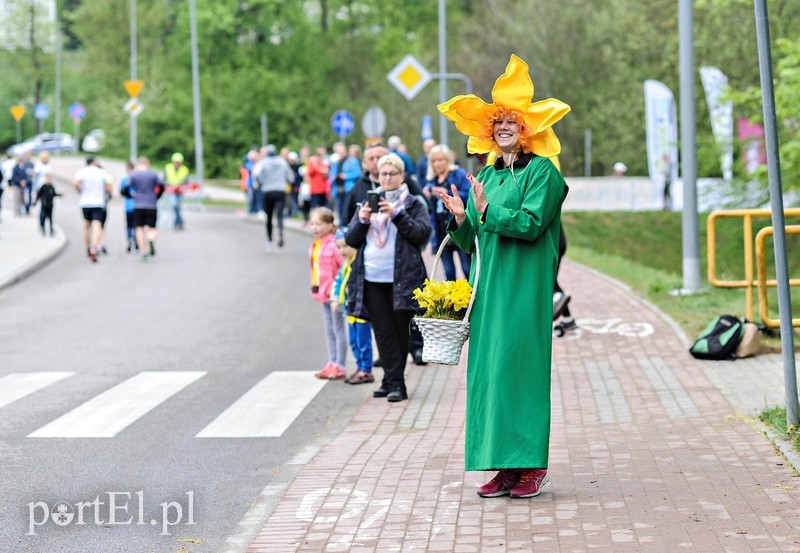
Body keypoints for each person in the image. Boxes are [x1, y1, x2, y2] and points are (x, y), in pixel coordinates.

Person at [435, 54, 570, 497]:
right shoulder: (487, 176)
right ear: (488, 133)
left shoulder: (543, 173)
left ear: (527, 129)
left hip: (524, 289)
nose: (504, 128)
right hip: (489, 289)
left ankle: (529, 464)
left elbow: (531, 224)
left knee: (522, 370)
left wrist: (488, 211)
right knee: (490, 374)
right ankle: (502, 465)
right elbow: (472, 238)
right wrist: (461, 217)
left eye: (512, 121)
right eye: (497, 123)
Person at [344, 153, 431, 402]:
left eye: (393, 173)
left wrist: (397, 215)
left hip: (402, 278)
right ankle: (391, 380)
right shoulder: (367, 204)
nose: (388, 178)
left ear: (402, 176)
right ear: (377, 176)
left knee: (399, 330)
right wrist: (362, 220)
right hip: (371, 279)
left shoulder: (413, 203)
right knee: (382, 331)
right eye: (383, 174)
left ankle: (397, 383)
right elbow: (351, 239)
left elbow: (421, 235)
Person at [331, 228, 374, 385]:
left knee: (363, 342)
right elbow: (339, 282)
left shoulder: (360, 262)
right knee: (354, 342)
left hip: (361, 311)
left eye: (345, 246)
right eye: (339, 247)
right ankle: (359, 367)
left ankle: (366, 369)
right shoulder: (346, 265)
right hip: (350, 310)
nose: (342, 250)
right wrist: (336, 298)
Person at [309, 207, 347, 380]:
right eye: (313, 224)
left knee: (338, 328)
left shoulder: (333, 245)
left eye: (319, 224)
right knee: (328, 329)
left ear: (330, 225)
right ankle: (331, 362)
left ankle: (340, 365)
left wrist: (340, 292)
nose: (315, 227)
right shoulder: (317, 244)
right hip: (322, 292)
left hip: (334, 294)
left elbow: (343, 268)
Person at [424, 144, 472, 280]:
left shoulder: (459, 174)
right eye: (434, 161)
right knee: (449, 272)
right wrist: (427, 196)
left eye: (440, 160)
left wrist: (448, 193)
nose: (437, 164)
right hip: (441, 231)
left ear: (448, 160)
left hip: (458, 229)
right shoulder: (431, 180)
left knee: (467, 269)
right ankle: (453, 301)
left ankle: (473, 299)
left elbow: (470, 195)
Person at [253, 144, 294, 248]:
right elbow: (291, 177)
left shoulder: (264, 162)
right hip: (280, 191)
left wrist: (260, 182)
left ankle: (270, 241)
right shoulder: (282, 161)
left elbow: (256, 173)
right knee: (279, 215)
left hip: (268, 191)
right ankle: (280, 230)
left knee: (269, 217)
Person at [73, 156, 113, 262]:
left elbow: (76, 183)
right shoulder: (101, 172)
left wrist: (80, 190)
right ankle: (94, 248)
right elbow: (109, 186)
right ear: (95, 162)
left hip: (85, 202)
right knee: (97, 225)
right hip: (98, 202)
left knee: (86, 225)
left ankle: (87, 247)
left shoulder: (81, 172)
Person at [129, 156, 164, 261]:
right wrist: (157, 196)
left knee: (139, 228)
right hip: (151, 204)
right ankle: (151, 239)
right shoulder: (153, 174)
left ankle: (143, 251)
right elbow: (162, 185)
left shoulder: (134, 175)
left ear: (139, 164)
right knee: (152, 227)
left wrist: (133, 196)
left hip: (138, 204)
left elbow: (126, 187)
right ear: (148, 164)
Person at [552, 223, 577, 336]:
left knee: (551, 282)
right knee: (552, 282)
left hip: (556, 245)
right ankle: (567, 319)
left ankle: (567, 318)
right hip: (557, 244)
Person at [330, 143, 362, 224]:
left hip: (348, 189)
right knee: (340, 209)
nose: (341, 154)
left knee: (349, 209)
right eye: (339, 152)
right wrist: (334, 177)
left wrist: (346, 176)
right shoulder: (336, 163)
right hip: (338, 189)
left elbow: (358, 173)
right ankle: (342, 226)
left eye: (342, 152)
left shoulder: (352, 161)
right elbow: (331, 175)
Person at [165, 152, 190, 230]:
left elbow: (186, 182)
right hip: (171, 191)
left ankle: (177, 222)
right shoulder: (168, 167)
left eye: (178, 162)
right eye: (175, 162)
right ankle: (180, 221)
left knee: (178, 207)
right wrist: (169, 185)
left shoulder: (185, 169)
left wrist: (179, 184)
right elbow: (164, 179)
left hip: (180, 191)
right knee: (174, 205)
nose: (176, 163)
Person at [34, 172, 60, 237]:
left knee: (50, 218)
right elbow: (39, 195)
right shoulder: (43, 187)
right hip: (44, 205)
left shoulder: (51, 186)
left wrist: (60, 195)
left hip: (50, 205)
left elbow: (54, 194)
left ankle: (51, 230)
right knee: (43, 217)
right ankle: (43, 229)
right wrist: (35, 202)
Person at [120, 160, 138, 252]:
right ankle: (137, 242)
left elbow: (122, 192)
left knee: (129, 225)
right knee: (137, 225)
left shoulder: (125, 179)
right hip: (137, 204)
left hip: (128, 205)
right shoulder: (138, 178)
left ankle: (130, 239)